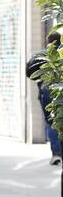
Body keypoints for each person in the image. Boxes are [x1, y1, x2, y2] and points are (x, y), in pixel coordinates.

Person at [27, 33, 62, 166]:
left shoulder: (40, 55)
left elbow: (28, 72)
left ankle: (56, 154)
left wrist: (40, 79)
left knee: (51, 122)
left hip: (46, 90)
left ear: (48, 42)